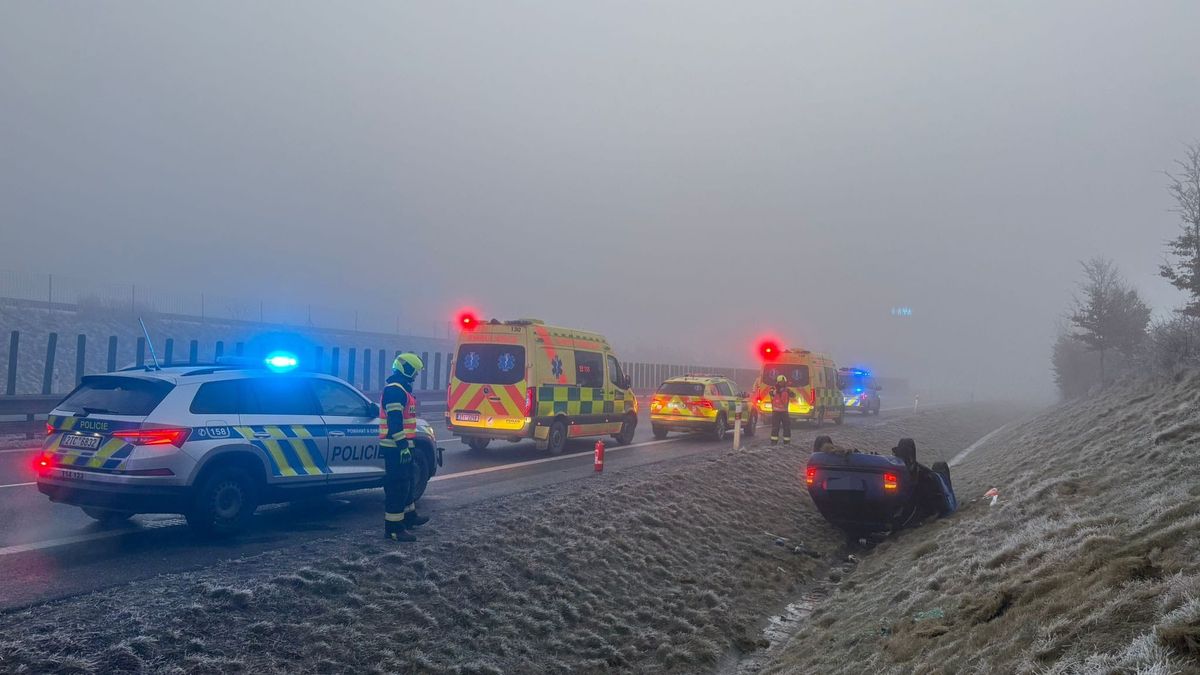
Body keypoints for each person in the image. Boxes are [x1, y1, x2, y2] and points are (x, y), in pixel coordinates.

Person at [380, 353, 430, 542]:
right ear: (406, 369)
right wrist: (402, 445)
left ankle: (409, 518)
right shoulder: (395, 391)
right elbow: (394, 422)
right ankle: (393, 529)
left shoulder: (402, 389)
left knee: (407, 482)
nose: (415, 376)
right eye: (414, 372)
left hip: (403, 445)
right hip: (395, 447)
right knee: (397, 487)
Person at [891, 438, 957, 520]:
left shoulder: (895, 466)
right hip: (916, 510)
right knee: (939, 467)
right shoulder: (921, 472)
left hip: (909, 509)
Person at [769, 374, 793, 445]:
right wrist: (779, 390)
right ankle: (774, 442)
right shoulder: (773, 389)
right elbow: (771, 393)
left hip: (784, 412)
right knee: (775, 428)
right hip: (777, 412)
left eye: (784, 382)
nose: (783, 383)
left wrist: (787, 391)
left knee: (787, 427)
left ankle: (786, 442)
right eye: (781, 382)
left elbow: (793, 395)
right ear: (778, 382)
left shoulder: (787, 390)